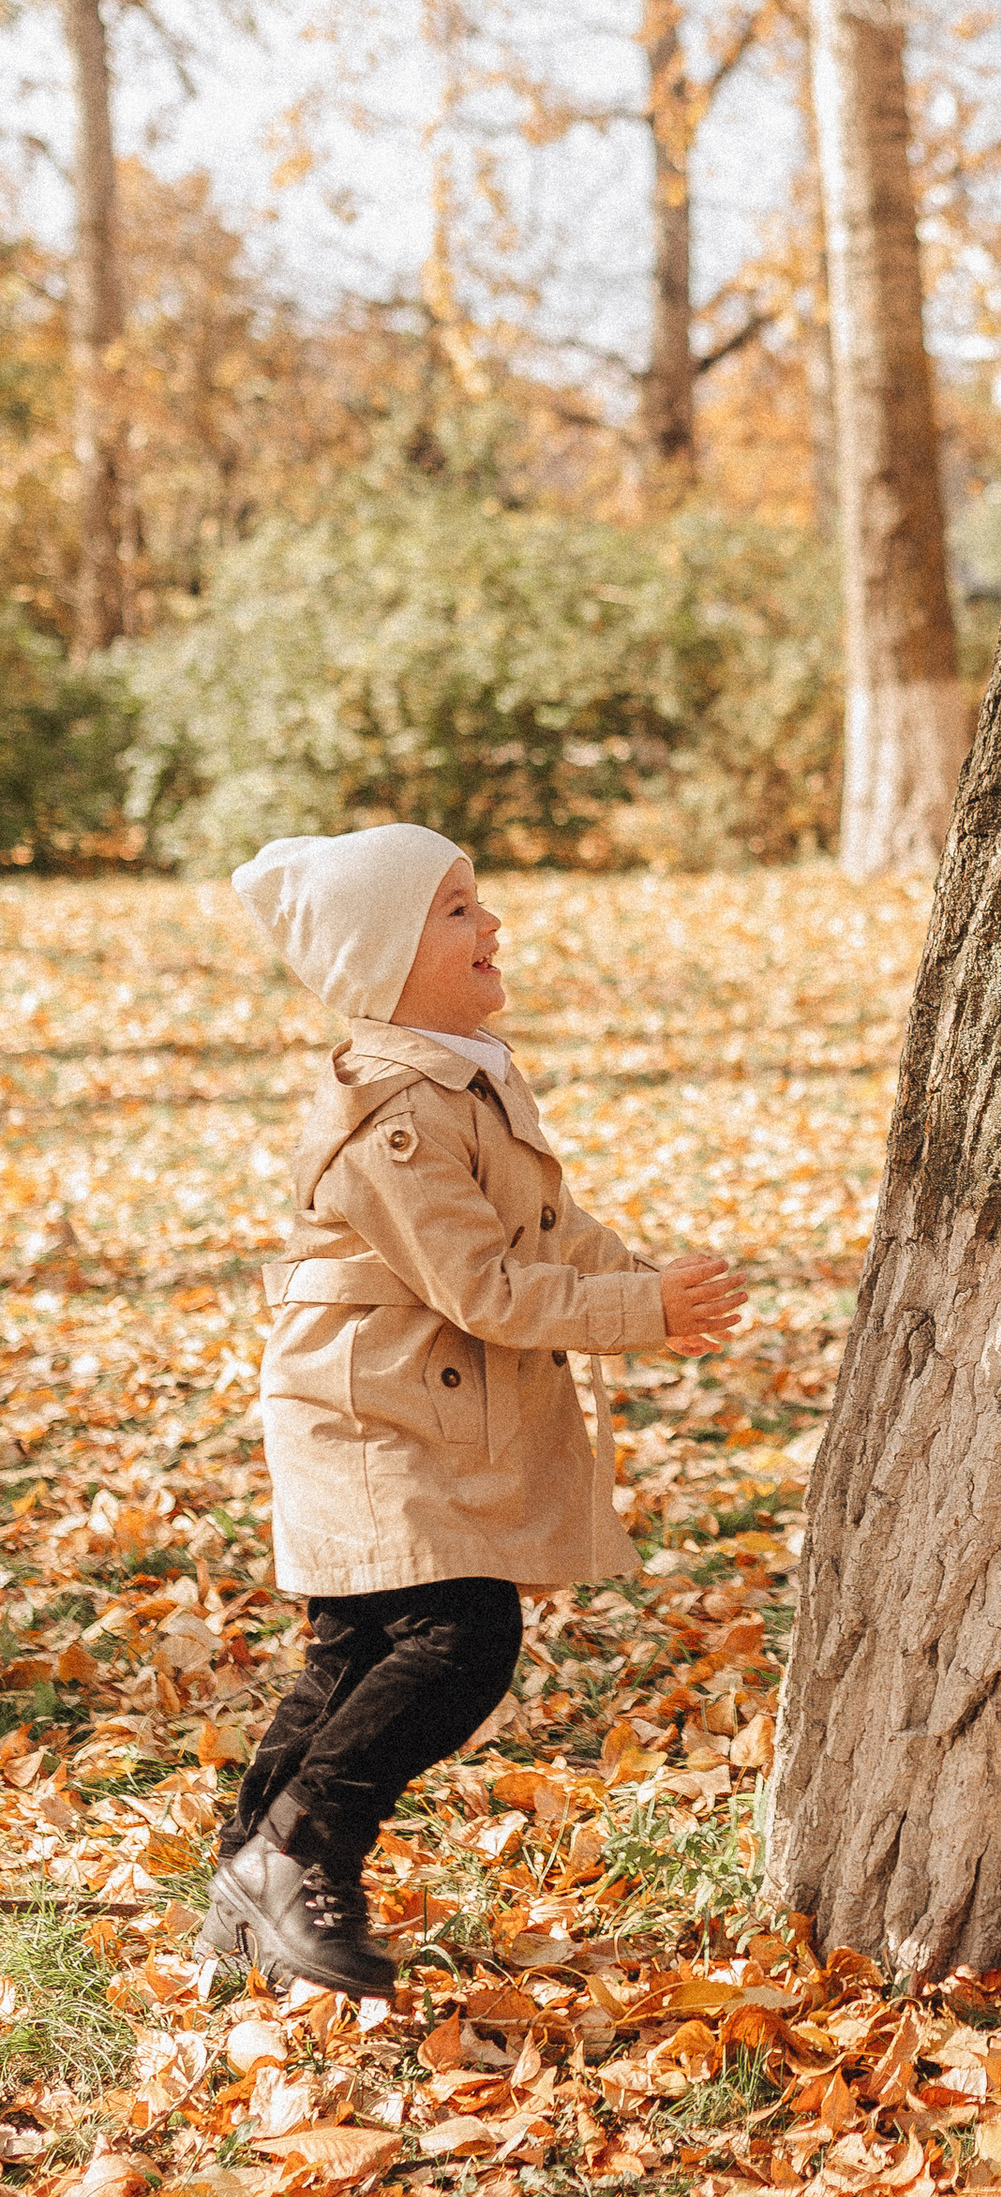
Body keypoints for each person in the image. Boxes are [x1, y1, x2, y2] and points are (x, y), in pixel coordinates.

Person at [212, 824, 746, 1997]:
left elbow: (546, 1231)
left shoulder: (469, 1076)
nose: (489, 924)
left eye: (477, 900)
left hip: (404, 1403)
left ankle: (245, 1871)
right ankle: (304, 1852)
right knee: (461, 1638)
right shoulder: (392, 1118)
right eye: (456, 911)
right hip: (368, 1416)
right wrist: (633, 1311)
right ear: (382, 961)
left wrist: (649, 1285)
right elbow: (486, 1287)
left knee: (357, 1647)